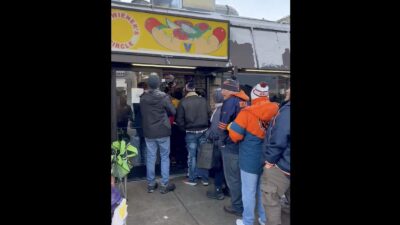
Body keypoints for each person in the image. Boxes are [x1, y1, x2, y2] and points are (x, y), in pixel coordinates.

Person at [228, 82, 279, 225]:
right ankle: (263, 219)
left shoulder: (247, 112)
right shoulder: (277, 110)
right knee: (264, 191)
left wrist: (230, 126)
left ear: (253, 95)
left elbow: (235, 135)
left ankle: (247, 221)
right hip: (269, 158)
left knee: (248, 193)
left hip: (249, 158)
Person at [140, 74, 176, 194]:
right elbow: (173, 111)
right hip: (163, 131)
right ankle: (164, 184)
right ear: (158, 84)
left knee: (151, 157)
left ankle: (151, 184)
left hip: (149, 132)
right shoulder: (164, 97)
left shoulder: (143, 98)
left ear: (148, 84)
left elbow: (142, 113)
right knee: (165, 157)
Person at [218, 78, 250, 216]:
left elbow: (223, 125)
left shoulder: (230, 101)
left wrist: (222, 141)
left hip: (231, 144)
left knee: (233, 178)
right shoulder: (245, 100)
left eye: (223, 88)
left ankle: (237, 207)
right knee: (240, 177)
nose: (222, 91)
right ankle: (243, 203)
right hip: (242, 143)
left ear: (229, 90)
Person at [261, 87, 290, 225]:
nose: (286, 90)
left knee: (271, 201)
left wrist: (269, 161)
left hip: (282, 165)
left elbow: (279, 139)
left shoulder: (287, 111)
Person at [176, 81, 211, 186]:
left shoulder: (183, 102)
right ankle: (205, 179)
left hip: (190, 132)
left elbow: (179, 120)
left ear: (186, 90)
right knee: (203, 155)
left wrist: (184, 129)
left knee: (192, 156)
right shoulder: (203, 100)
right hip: (204, 131)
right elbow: (210, 115)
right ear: (194, 89)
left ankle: (192, 179)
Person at [206, 88, 227, 200]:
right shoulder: (226, 109)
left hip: (218, 144)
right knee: (225, 169)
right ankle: (226, 189)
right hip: (226, 144)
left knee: (218, 168)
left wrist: (208, 135)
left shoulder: (218, 111)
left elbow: (214, 131)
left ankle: (218, 191)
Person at [133, 81, 148, 165]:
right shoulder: (149, 98)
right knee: (146, 145)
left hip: (139, 124)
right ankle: (145, 165)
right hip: (147, 124)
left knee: (138, 146)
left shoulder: (137, 99)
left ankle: (140, 164)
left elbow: (135, 111)